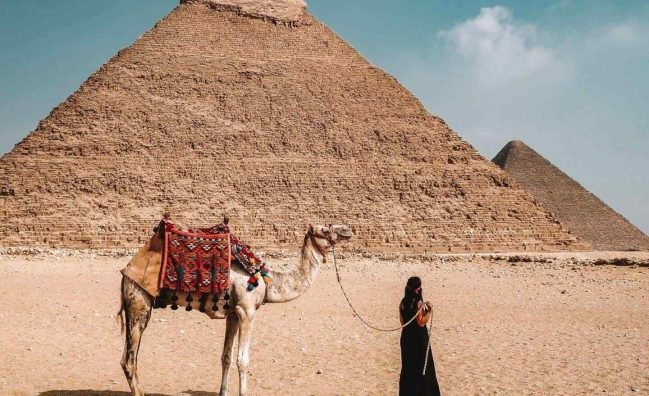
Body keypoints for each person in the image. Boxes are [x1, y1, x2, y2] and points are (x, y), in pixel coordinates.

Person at [399, 276, 441, 396]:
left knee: (408, 369)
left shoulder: (402, 302)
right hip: (418, 340)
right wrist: (428, 311)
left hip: (406, 338)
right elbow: (421, 322)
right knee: (423, 369)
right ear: (417, 289)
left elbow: (402, 322)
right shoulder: (418, 303)